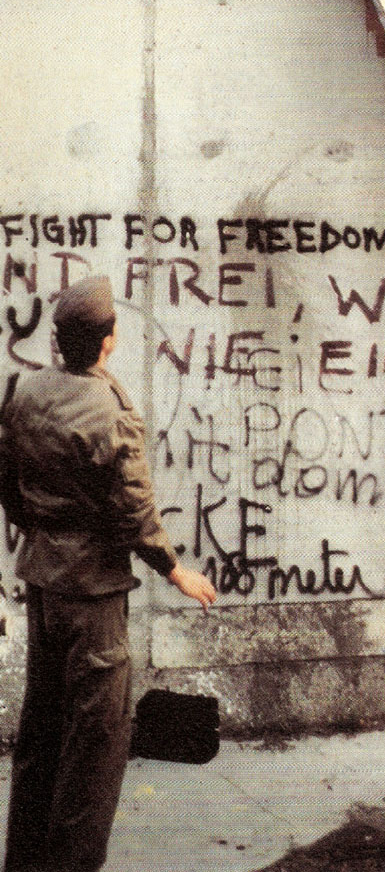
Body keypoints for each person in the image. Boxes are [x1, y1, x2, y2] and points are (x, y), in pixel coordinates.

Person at [0, 275, 216, 872]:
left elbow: (9, 485)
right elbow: (135, 512)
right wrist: (175, 571)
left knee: (41, 732)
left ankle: (23, 861)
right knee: (95, 745)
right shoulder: (112, 411)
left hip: (43, 585)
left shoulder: (24, 390)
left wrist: (41, 533)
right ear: (106, 342)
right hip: (93, 596)